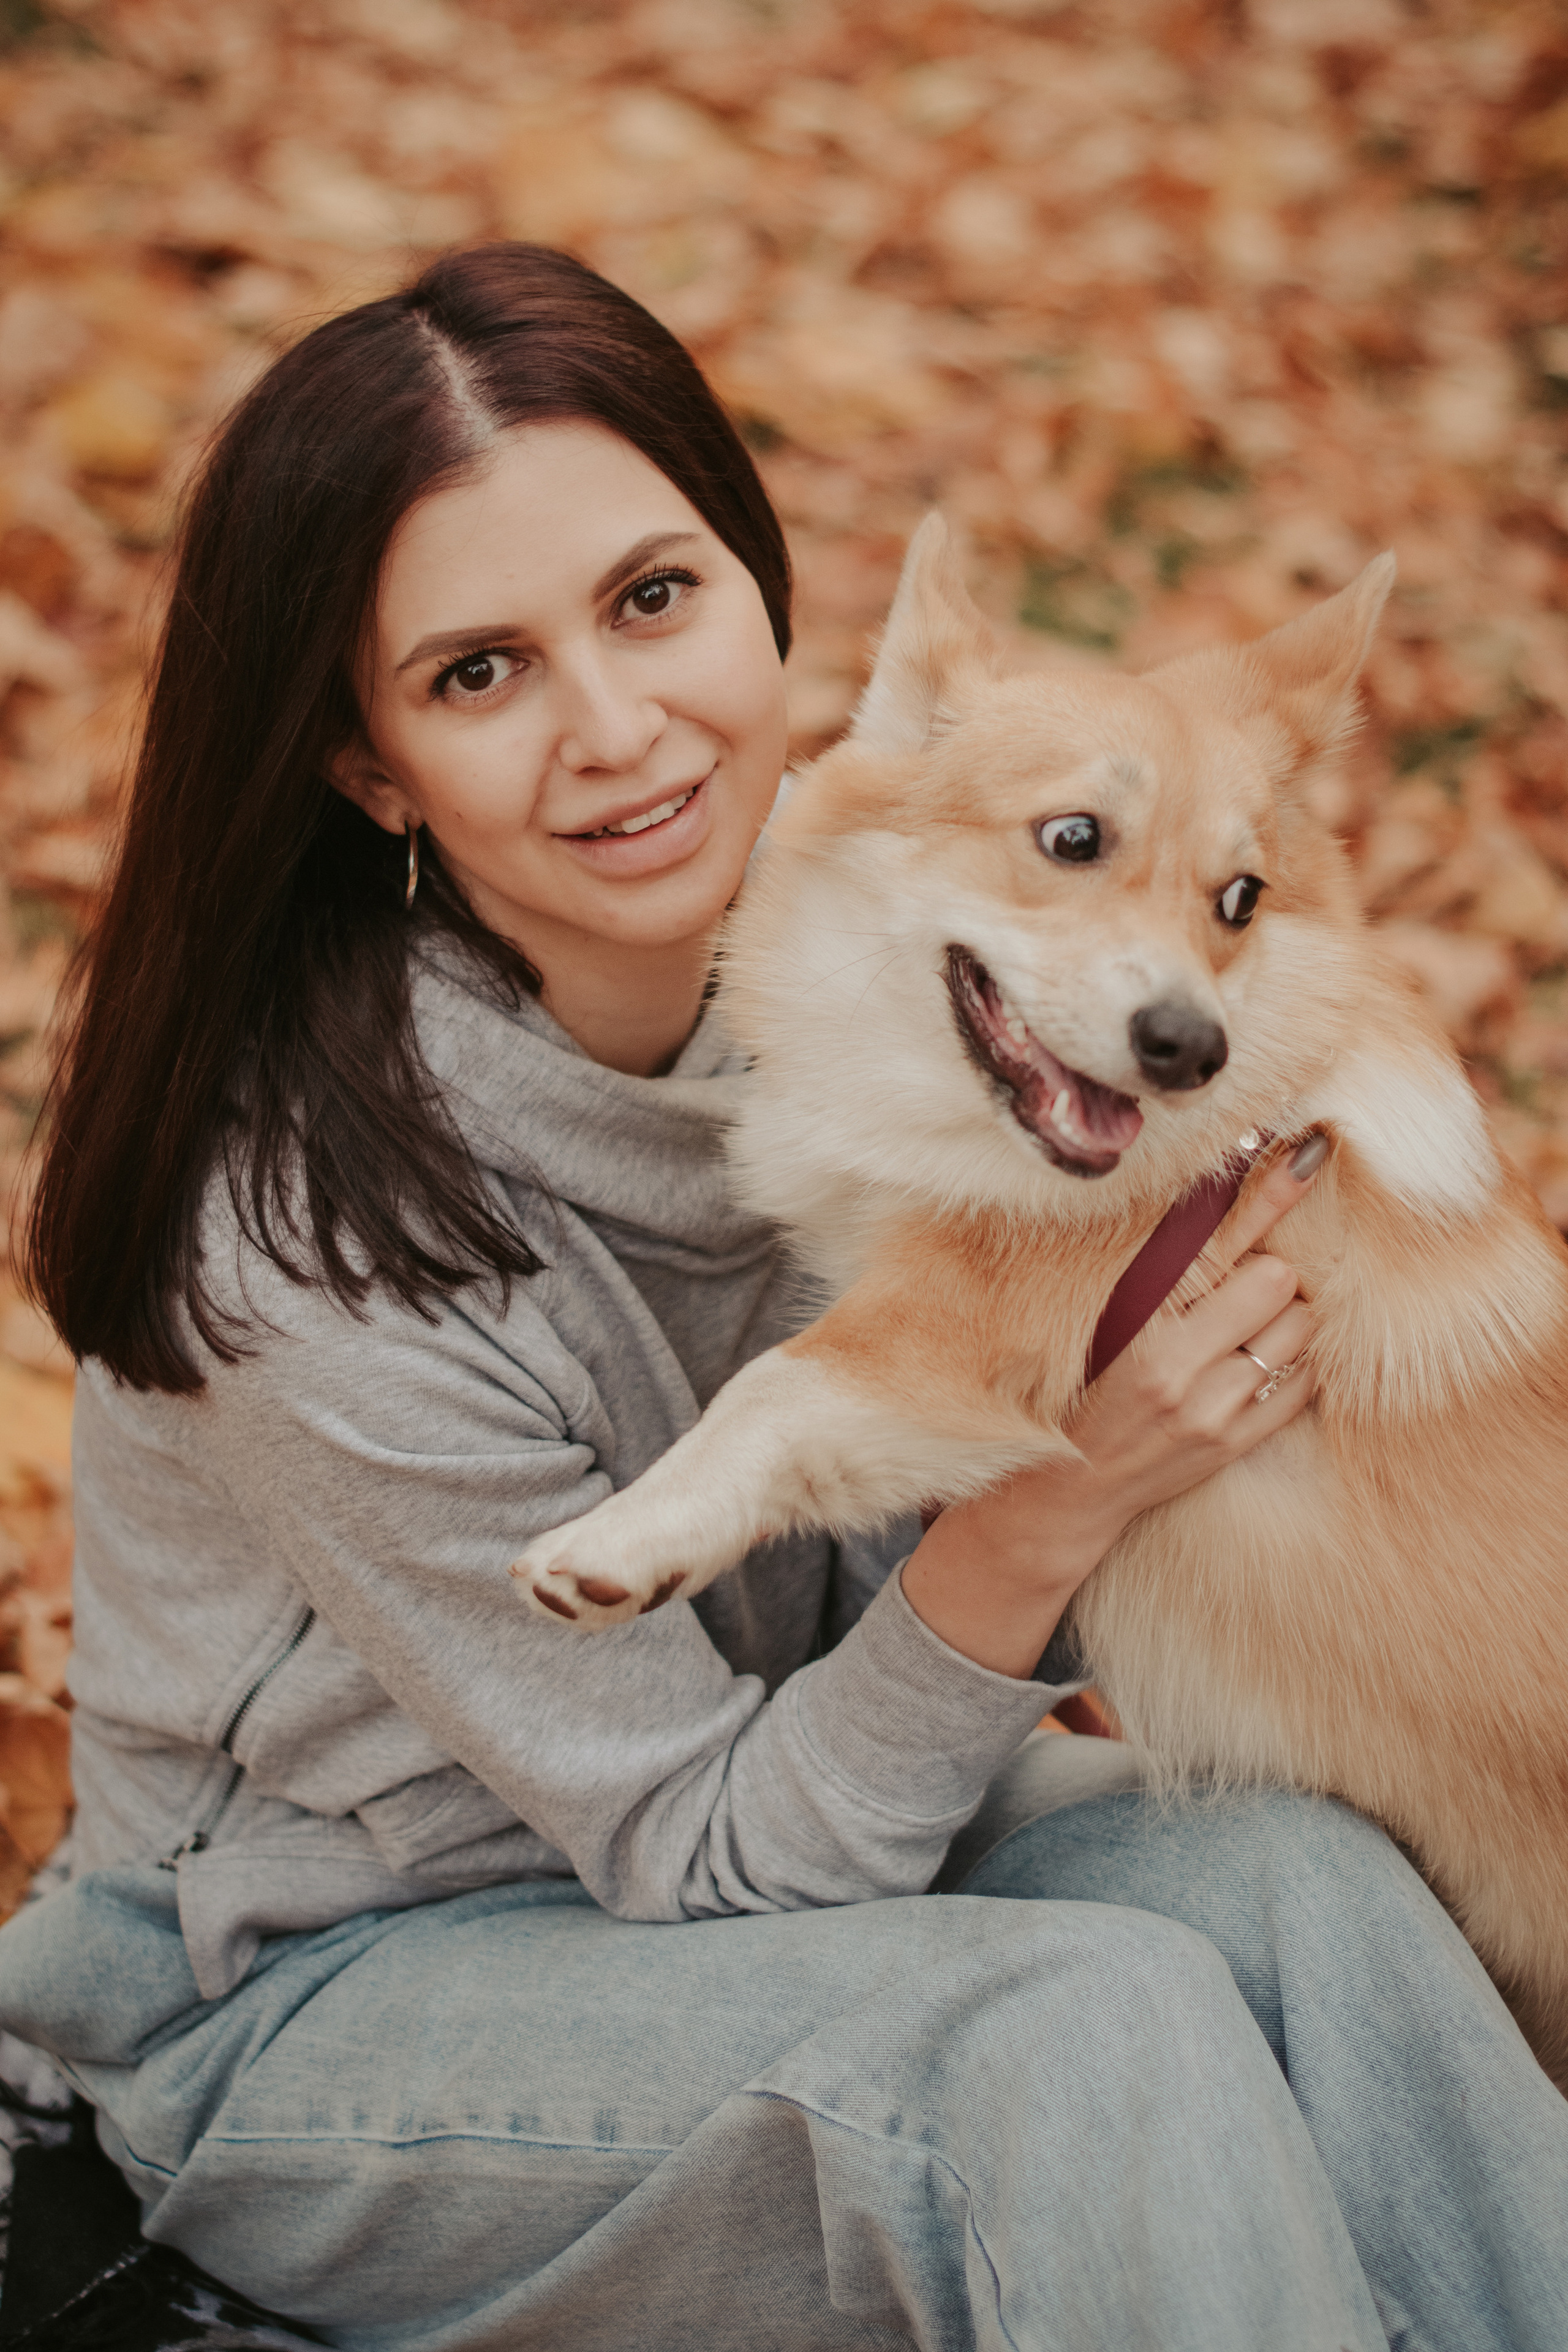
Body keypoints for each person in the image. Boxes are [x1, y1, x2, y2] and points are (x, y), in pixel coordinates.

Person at [2, 242, 1564, 2352]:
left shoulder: (917, 1007)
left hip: (775, 1815)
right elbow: (699, 1847)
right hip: (318, 2007)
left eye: (656, 601)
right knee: (1073, 2036)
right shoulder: (296, 1240)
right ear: (372, 770)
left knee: (1305, 1894)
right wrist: (1048, 1514)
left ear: (764, 596)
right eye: (481, 674)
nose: (620, 726)